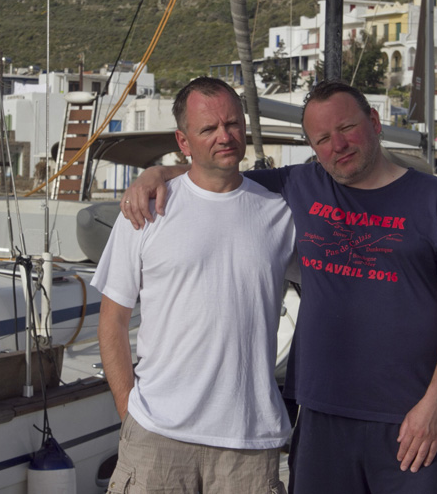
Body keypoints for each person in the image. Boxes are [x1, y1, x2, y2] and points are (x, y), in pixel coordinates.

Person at [123, 80, 437, 493]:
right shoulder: (299, 185)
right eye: (322, 139)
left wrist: (436, 404)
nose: (338, 145)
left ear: (374, 121)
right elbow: (217, 173)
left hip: (411, 422)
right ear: (312, 147)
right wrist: (157, 173)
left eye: (347, 128)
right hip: (319, 421)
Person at [92, 76, 294, 494]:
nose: (225, 136)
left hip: (249, 443)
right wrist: (130, 414)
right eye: (209, 128)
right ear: (183, 141)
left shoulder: (280, 214)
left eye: (233, 124)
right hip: (156, 438)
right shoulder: (146, 211)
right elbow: (112, 322)